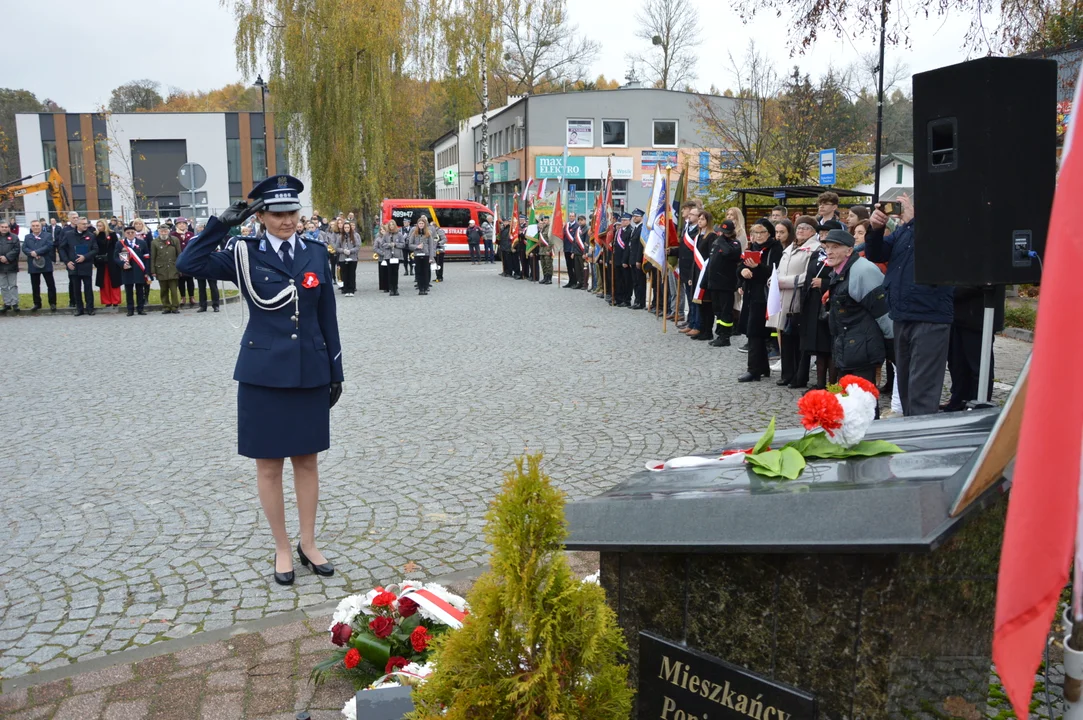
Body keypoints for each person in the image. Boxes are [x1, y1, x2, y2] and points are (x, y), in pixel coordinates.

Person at [176, 174, 343, 586]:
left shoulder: (316, 252)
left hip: (309, 372)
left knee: (307, 462)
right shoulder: (243, 253)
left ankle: (308, 543)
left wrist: (335, 371)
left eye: (292, 212)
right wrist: (220, 226)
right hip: (263, 375)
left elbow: (328, 317)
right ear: (261, 215)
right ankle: (282, 547)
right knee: (268, 467)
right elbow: (188, 264)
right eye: (277, 213)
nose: (287, 221)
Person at [866, 193, 953, 416]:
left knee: (922, 388)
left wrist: (914, 220)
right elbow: (876, 253)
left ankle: (921, 439)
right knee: (905, 385)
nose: (902, 210)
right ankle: (910, 430)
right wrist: (875, 229)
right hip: (902, 315)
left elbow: (934, 250)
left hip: (929, 315)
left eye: (908, 205)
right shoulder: (903, 232)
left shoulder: (942, 230)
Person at [823, 228, 892, 418]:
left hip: (863, 349)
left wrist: (893, 345)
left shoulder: (863, 270)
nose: (829, 251)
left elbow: (883, 311)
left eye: (835, 247)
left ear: (849, 250)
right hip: (848, 346)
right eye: (827, 247)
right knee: (849, 403)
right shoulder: (840, 269)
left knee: (865, 404)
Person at [770, 218, 817, 388]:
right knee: (786, 335)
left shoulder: (814, 249)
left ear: (813, 231)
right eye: (799, 227)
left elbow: (808, 275)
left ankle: (799, 375)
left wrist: (784, 282)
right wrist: (773, 280)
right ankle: (787, 373)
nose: (801, 230)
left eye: (806, 228)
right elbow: (779, 270)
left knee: (798, 338)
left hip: (799, 296)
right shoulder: (790, 247)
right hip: (783, 297)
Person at [944, 285, 1004, 411]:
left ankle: (979, 402)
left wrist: (947, 290)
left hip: (979, 318)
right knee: (957, 364)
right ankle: (958, 400)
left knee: (979, 366)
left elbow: (980, 281)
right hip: (958, 316)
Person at [737, 219, 783, 382]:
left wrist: (757, 268)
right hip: (751, 293)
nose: (758, 236)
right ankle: (763, 367)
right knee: (754, 331)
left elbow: (775, 272)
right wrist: (743, 272)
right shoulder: (751, 248)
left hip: (765, 294)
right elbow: (740, 266)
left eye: (762, 232)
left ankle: (754, 369)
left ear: (769, 233)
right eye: (755, 232)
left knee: (755, 332)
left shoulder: (775, 248)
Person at [704, 215, 743, 347]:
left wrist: (722, 240)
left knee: (726, 311)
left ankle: (725, 336)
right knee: (718, 310)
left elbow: (728, 253)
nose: (723, 234)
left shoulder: (735, 244)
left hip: (726, 283)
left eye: (726, 232)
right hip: (714, 282)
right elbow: (711, 263)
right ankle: (720, 333)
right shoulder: (717, 243)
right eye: (722, 232)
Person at [59, 217, 97, 316]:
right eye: (83, 224)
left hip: (86, 265)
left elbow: (95, 249)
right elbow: (62, 248)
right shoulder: (68, 235)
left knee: (88, 287)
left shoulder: (91, 235)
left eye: (86, 224)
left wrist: (85, 257)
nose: (85, 225)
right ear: (77, 224)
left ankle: (90, 308)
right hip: (73, 265)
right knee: (76, 288)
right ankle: (79, 308)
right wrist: (67, 262)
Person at [114, 224, 152, 316]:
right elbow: (115, 257)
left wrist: (147, 271)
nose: (130, 234)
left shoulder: (142, 243)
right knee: (129, 291)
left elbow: (147, 257)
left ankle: (140, 309)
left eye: (132, 232)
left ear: (135, 233)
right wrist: (123, 264)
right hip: (127, 270)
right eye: (128, 233)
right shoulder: (120, 243)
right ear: (125, 234)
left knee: (140, 291)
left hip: (139, 270)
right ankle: (130, 309)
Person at [23, 219, 57, 312]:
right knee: (35, 285)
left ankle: (52, 303)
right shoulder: (27, 237)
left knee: (50, 284)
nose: (35, 227)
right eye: (33, 226)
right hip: (33, 263)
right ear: (31, 227)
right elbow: (24, 248)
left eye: (37, 225)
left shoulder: (47, 235)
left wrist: (37, 252)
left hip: (45, 262)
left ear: (41, 226)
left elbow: (49, 246)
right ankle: (37, 303)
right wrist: (31, 253)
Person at [678, 203, 702, 333]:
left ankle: (696, 324)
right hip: (685, 268)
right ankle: (691, 322)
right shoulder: (687, 229)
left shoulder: (698, 231)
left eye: (693, 214)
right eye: (690, 213)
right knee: (689, 297)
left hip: (694, 269)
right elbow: (684, 249)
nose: (689, 216)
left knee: (694, 298)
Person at [152, 223, 182, 314]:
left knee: (174, 290)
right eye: (161, 231)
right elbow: (153, 257)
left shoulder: (175, 240)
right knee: (163, 290)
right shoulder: (154, 242)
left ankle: (175, 307)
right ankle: (166, 306)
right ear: (159, 232)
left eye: (165, 231)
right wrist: (153, 270)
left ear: (169, 232)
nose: (163, 233)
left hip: (173, 268)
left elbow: (179, 254)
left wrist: (180, 268)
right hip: (161, 269)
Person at [94, 220, 122, 309]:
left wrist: (116, 259)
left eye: (101, 225)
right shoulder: (95, 235)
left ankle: (115, 300)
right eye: (98, 225)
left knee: (114, 281)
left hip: (112, 260)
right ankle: (107, 301)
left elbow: (117, 247)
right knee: (104, 281)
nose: (99, 227)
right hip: (101, 261)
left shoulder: (112, 234)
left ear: (105, 225)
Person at [408, 215, 436, 295]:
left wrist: (431, 257)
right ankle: (420, 288)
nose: (421, 225)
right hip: (417, 255)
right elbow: (410, 245)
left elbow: (431, 246)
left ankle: (425, 287)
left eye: (422, 223)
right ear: (417, 224)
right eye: (419, 223)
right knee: (419, 272)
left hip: (426, 255)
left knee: (425, 272)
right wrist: (417, 246)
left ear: (425, 224)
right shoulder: (414, 233)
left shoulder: (428, 233)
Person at [375, 221, 405, 295]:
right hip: (388, 256)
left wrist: (395, 244)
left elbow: (403, 244)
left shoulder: (399, 234)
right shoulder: (386, 235)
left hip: (397, 256)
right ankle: (391, 288)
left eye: (392, 225)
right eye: (390, 225)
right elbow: (382, 244)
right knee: (390, 272)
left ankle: (396, 288)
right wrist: (389, 245)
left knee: (395, 272)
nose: (391, 226)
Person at [173, 219, 196, 308]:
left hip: (189, 259)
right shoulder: (173, 235)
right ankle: (183, 297)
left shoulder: (190, 234)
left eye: (183, 224)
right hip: (178, 259)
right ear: (176, 225)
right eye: (180, 224)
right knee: (180, 280)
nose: (182, 225)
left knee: (190, 279)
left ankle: (192, 296)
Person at [627, 208, 646, 308]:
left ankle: (641, 302)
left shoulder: (642, 229)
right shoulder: (635, 228)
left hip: (638, 260)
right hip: (633, 259)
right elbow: (631, 246)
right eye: (633, 216)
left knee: (640, 282)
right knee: (635, 282)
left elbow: (640, 246)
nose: (634, 218)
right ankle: (637, 300)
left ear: (642, 217)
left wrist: (639, 260)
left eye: (636, 216)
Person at [336, 221, 360, 296]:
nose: (347, 229)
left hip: (352, 258)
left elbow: (357, 246)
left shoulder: (354, 236)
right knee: (344, 274)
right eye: (345, 227)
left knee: (351, 274)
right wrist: (343, 250)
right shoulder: (340, 237)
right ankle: (346, 289)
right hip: (343, 258)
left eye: (348, 227)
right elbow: (337, 248)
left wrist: (351, 251)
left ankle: (351, 289)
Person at [0, 220, 19, 313]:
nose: (4, 229)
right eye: (2, 227)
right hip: (0, 266)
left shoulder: (14, 237)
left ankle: (15, 303)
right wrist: (1, 258)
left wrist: (7, 258)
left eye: (6, 227)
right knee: (3, 286)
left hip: (11, 264)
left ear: (9, 228)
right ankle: (7, 303)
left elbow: (16, 249)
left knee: (13, 285)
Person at [537, 214, 553, 284]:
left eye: (546, 220)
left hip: (547, 249)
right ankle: (545, 277)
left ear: (549, 221)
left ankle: (549, 278)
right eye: (543, 220)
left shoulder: (550, 228)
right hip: (542, 250)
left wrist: (549, 250)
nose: (544, 222)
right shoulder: (542, 228)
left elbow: (551, 240)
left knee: (548, 264)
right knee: (543, 264)